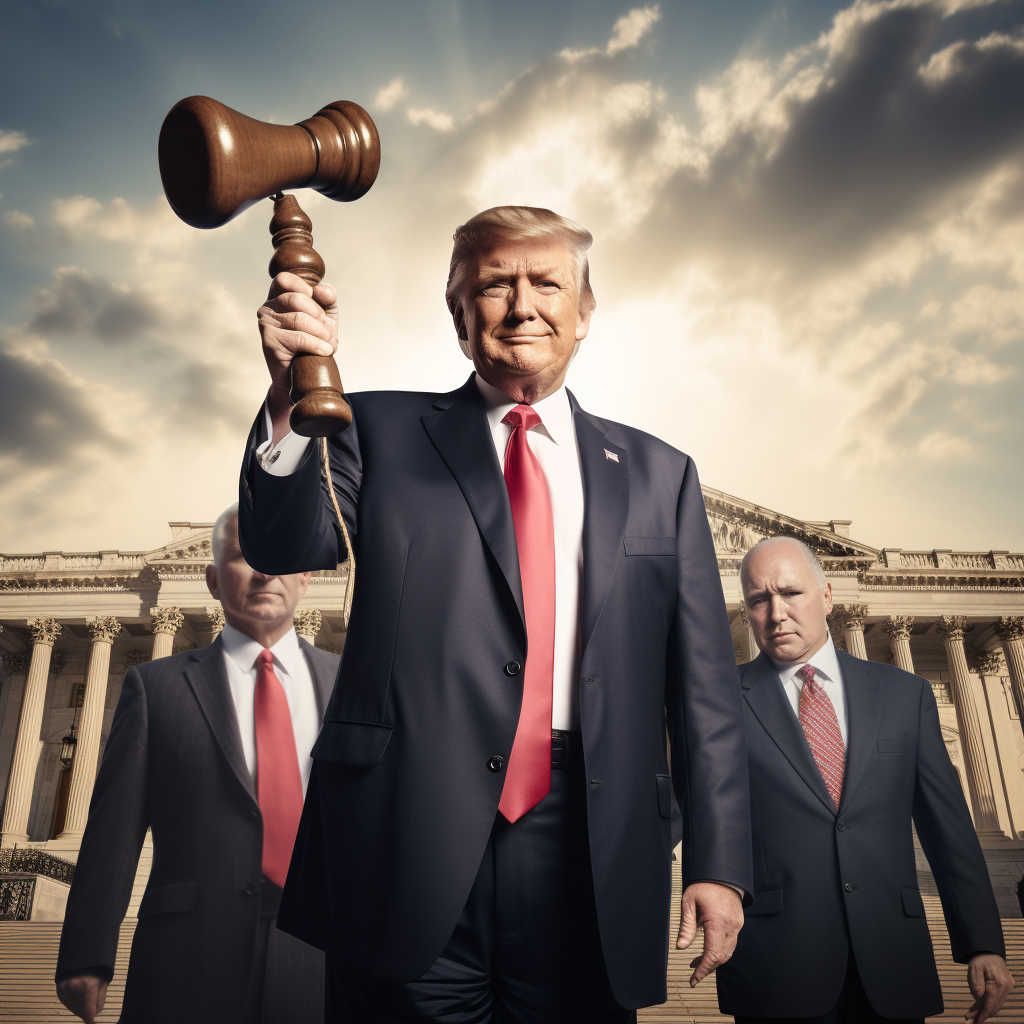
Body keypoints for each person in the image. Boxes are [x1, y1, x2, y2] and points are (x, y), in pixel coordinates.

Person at [238, 206, 753, 1022]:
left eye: (547, 283)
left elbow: (706, 698)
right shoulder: (375, 427)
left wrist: (720, 863)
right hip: (404, 835)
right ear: (457, 315)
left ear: (585, 313)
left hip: (591, 844)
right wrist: (290, 390)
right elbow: (281, 542)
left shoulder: (663, 474)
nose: (522, 305)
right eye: (493, 285)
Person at [55, 505, 339, 1024]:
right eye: (241, 556)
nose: (263, 570)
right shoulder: (154, 686)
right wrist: (85, 953)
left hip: (321, 952)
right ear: (211, 579)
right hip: (186, 950)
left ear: (306, 577)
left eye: (280, 557)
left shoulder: (349, 686)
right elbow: (113, 831)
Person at [717, 535, 1014, 1024]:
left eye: (791, 593)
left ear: (828, 594)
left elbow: (949, 833)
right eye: (758, 600)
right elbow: (692, 808)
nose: (775, 613)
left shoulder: (904, 695)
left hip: (891, 957)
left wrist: (982, 943)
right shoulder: (719, 700)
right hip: (776, 962)